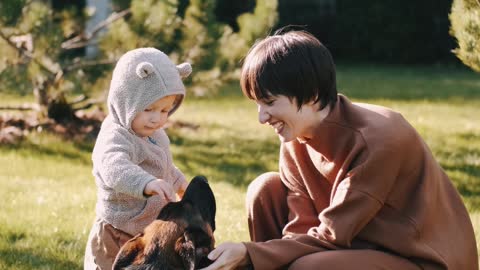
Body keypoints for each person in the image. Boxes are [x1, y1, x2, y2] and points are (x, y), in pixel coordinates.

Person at [201, 29, 478, 270]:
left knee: (309, 267)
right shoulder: (294, 138)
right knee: (265, 189)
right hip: (354, 245)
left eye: (270, 102)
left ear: (310, 95)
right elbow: (300, 226)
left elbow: (333, 234)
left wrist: (250, 254)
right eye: (257, 105)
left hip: (418, 257)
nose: (262, 117)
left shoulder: (379, 139)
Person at [84, 47, 192, 270]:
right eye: (149, 109)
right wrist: (146, 183)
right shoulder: (116, 135)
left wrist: (179, 182)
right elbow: (114, 167)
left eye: (164, 110)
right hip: (116, 231)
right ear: (125, 100)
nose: (157, 119)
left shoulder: (155, 134)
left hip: (145, 230)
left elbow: (164, 167)